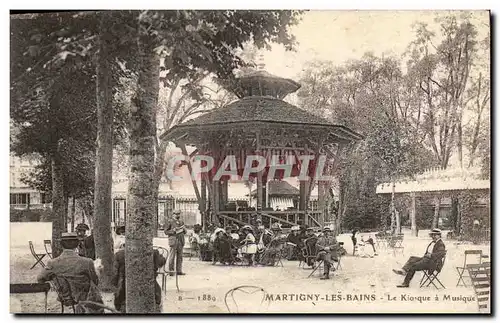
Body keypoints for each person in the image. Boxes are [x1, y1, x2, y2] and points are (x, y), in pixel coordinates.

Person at [37, 232, 104, 313]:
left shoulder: (53, 263)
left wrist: (53, 281)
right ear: (77, 244)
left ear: (61, 245)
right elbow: (95, 281)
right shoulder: (87, 262)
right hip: (85, 298)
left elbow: (40, 279)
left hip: (65, 298)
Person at [112, 245, 166, 312]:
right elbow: (161, 262)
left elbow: (115, 274)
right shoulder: (151, 252)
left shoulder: (119, 254)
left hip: (125, 289)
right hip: (149, 288)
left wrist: (115, 284)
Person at [164, 210, 186, 276]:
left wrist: (184, 230)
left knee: (180, 257)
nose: (177, 215)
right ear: (173, 214)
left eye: (178, 214)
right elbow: (166, 232)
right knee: (172, 256)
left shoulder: (181, 222)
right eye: (176, 214)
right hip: (173, 240)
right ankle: (171, 271)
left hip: (180, 240)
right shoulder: (169, 221)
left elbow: (184, 232)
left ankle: (179, 271)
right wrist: (173, 230)